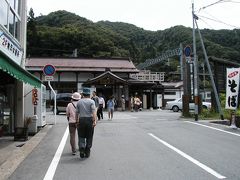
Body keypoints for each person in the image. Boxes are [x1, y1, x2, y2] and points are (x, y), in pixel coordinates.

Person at [76, 88, 97, 158]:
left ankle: (82, 148)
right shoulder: (92, 102)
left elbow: (77, 113)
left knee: (81, 135)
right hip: (89, 120)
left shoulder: (79, 102)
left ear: (83, 94)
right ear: (89, 94)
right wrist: (94, 121)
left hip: (81, 120)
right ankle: (87, 149)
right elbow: (94, 112)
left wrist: (77, 121)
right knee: (89, 135)